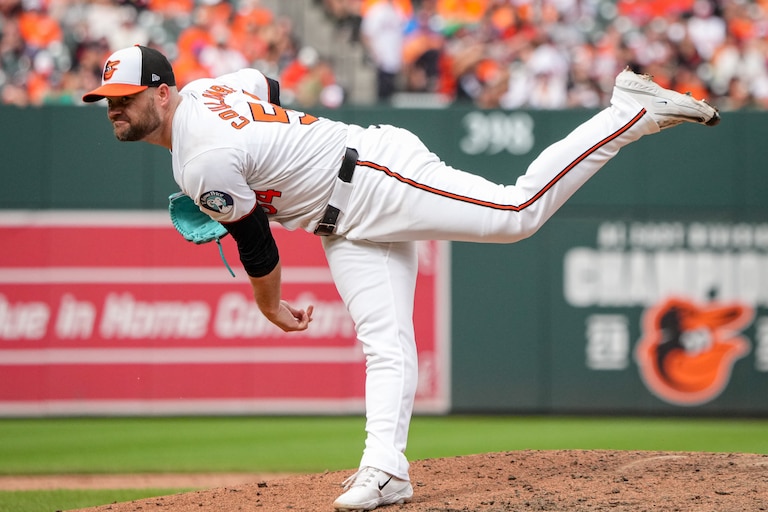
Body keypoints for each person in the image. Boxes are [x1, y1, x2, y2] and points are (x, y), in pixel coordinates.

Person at [82, 45, 719, 511]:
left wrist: (269, 304)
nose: (115, 109)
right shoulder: (210, 92)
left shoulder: (198, 161)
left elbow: (256, 245)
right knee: (384, 344)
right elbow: (265, 85)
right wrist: (263, 162)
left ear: (162, 92)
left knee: (516, 213)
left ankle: (627, 112)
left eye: (126, 98)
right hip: (339, 220)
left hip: (374, 175)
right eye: (108, 101)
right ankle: (386, 471)